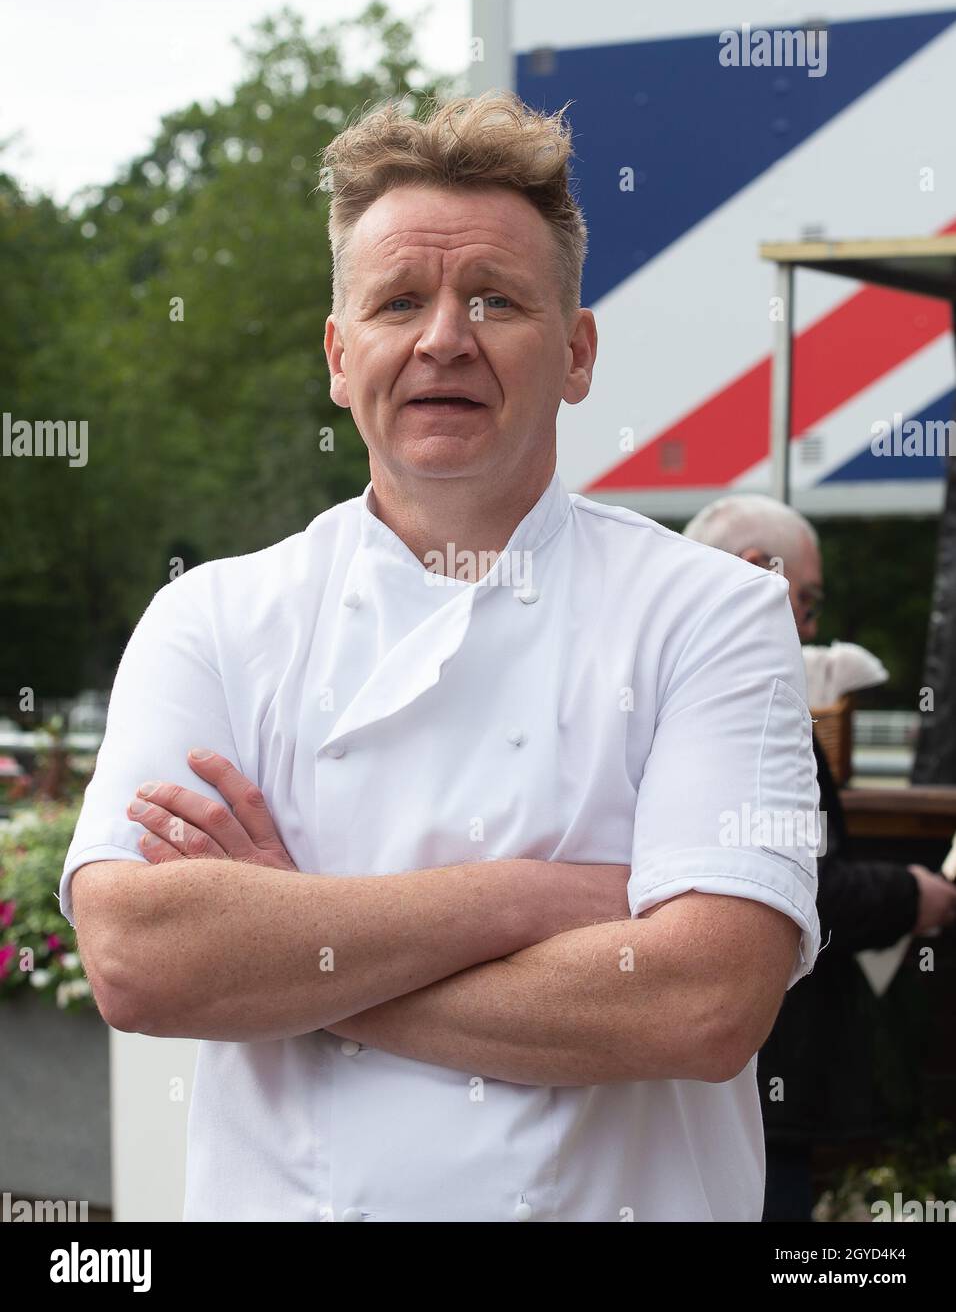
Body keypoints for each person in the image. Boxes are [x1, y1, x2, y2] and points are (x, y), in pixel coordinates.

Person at [59, 92, 820, 1223]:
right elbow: (138, 959)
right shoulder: (212, 620)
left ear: (575, 353)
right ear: (337, 353)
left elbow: (701, 1004)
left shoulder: (712, 614)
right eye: (397, 301)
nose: (442, 339)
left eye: (494, 300)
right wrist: (538, 897)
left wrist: (294, 952)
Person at [684, 493, 956, 1221]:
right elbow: (797, 890)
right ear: (754, 572)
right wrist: (910, 893)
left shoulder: (660, 690)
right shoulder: (747, 710)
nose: (812, 628)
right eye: (807, 604)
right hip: (755, 1083)